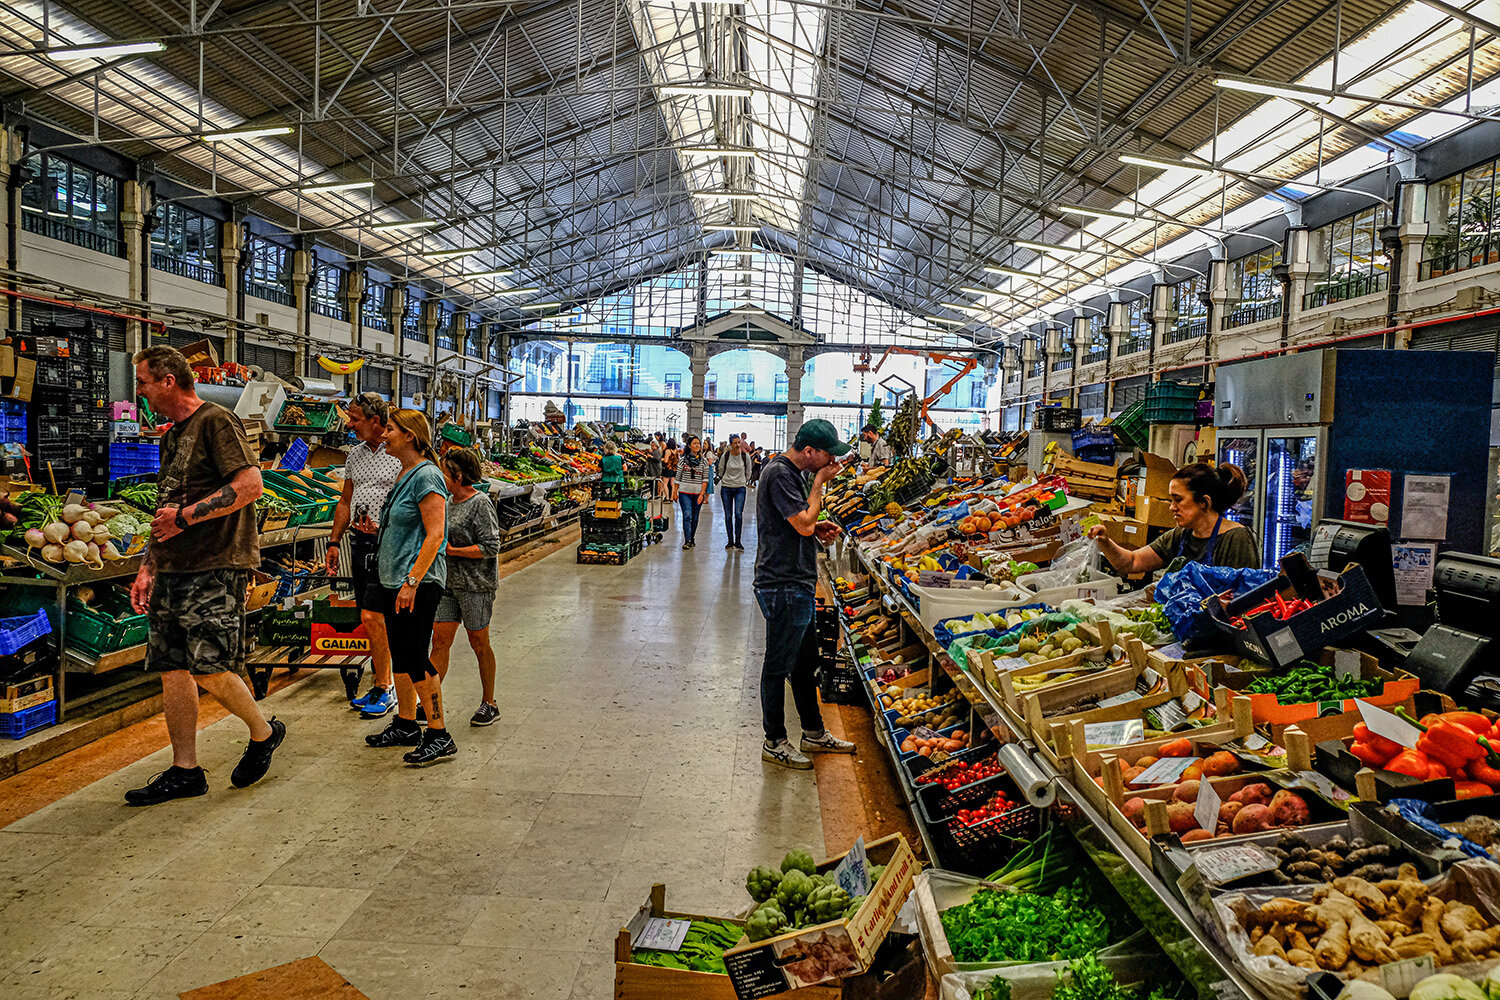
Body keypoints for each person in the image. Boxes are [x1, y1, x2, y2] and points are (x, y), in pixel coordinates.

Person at [125, 346, 284, 805]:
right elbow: (165, 507)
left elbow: (250, 485)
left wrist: (188, 517)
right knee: (173, 669)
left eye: (144, 382)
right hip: (174, 565)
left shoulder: (215, 421)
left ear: (168, 380)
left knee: (209, 665)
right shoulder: (171, 436)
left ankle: (262, 732)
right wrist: (147, 566)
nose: (141, 391)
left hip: (215, 563)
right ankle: (185, 770)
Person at [754, 419, 856, 769]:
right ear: (809, 451)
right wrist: (819, 485)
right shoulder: (781, 474)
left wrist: (816, 530)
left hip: (795, 580)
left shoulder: (789, 474)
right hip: (782, 583)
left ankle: (813, 732)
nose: (831, 462)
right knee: (777, 664)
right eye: (827, 455)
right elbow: (802, 522)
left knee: (804, 663)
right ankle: (774, 740)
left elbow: (800, 525)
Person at [363, 409, 456, 765]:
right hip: (394, 579)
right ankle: (405, 722)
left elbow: (436, 535)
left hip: (417, 583)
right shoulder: (406, 472)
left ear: (410, 437)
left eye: (389, 429)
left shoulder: (427, 476)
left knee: (416, 657)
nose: (383, 434)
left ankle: (438, 733)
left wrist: (412, 581)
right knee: (402, 655)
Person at [328, 392, 403, 719]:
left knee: (379, 617)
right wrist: (334, 541)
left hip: (391, 545)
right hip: (361, 542)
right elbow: (345, 501)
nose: (350, 423)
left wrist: (385, 529)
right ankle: (383, 683)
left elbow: (410, 503)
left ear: (376, 421)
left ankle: (386, 686)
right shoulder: (355, 455)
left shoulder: (399, 454)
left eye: (355, 418)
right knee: (369, 616)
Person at [429, 448, 502, 726]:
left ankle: (489, 703)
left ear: (458, 476)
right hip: (447, 583)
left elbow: (491, 547)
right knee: (440, 642)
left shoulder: (480, 503)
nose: (442, 476)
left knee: (478, 642)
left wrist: (453, 550)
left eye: (445, 472)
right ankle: (430, 700)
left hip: (476, 585)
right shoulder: (446, 501)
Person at [1088, 463, 1261, 574]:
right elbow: (1131, 563)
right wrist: (1105, 540)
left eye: (1178, 499)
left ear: (1204, 502)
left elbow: (1243, 601)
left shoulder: (1236, 539)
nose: (1171, 507)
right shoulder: (1181, 536)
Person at [717, 436, 753, 551]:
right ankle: (730, 541)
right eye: (735, 443)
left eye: (739, 442)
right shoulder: (726, 456)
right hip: (726, 488)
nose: (738, 445)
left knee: (738, 514)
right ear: (731, 445)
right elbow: (720, 470)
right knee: (728, 515)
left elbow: (749, 471)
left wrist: (744, 481)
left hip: (740, 488)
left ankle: (738, 541)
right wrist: (724, 479)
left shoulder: (745, 456)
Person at [676, 434, 710, 549]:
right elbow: (677, 478)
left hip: (697, 494)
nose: (697, 445)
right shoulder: (682, 461)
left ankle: (692, 537)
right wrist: (674, 493)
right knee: (687, 516)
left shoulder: (704, 462)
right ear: (689, 445)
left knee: (695, 517)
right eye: (694, 443)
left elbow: (705, 480)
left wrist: (702, 494)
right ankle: (687, 540)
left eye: (698, 443)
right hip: (684, 493)